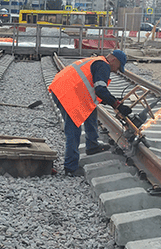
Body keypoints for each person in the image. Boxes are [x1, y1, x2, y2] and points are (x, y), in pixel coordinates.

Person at [48, 49, 130, 177]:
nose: (116, 71)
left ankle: (92, 145)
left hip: (64, 89)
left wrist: (112, 100)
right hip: (66, 94)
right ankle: (70, 168)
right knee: (74, 130)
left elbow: (95, 91)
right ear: (114, 60)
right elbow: (100, 90)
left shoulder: (98, 61)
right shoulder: (104, 66)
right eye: (118, 67)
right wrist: (117, 105)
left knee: (90, 110)